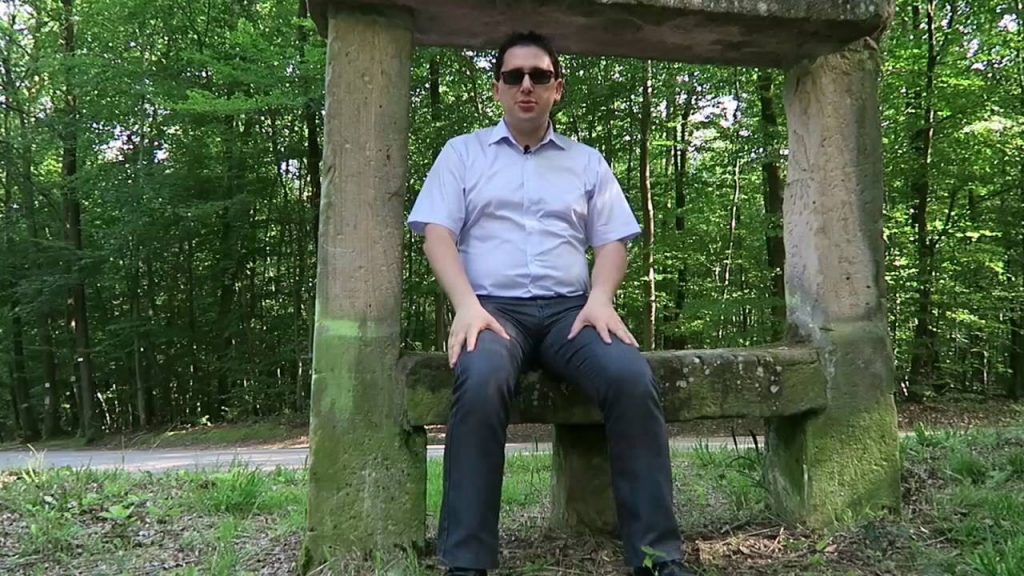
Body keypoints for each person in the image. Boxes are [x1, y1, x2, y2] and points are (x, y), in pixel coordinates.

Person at [407, 31, 693, 576]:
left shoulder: (586, 162)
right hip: (492, 311)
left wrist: (601, 299)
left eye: (539, 76)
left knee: (631, 377)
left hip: (571, 313)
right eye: (514, 76)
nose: (526, 86)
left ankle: (657, 555)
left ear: (557, 88)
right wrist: (465, 305)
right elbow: (437, 234)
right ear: (497, 88)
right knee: (481, 379)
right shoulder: (462, 154)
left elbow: (613, 240)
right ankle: (466, 561)